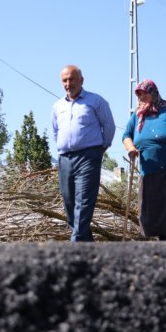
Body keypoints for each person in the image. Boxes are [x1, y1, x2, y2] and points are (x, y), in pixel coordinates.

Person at [52, 65, 115, 242]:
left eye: (71, 79)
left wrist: (100, 148)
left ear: (81, 80)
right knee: (69, 204)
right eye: (64, 80)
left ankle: (75, 249)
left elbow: (108, 126)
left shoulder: (96, 101)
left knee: (84, 203)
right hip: (64, 158)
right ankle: (87, 251)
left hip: (88, 157)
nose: (68, 83)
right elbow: (56, 131)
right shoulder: (57, 106)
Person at [123, 79, 166, 240]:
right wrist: (131, 148)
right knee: (151, 209)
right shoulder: (137, 115)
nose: (141, 98)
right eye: (139, 95)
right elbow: (126, 135)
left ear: (153, 93)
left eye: (144, 94)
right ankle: (160, 241)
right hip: (148, 170)